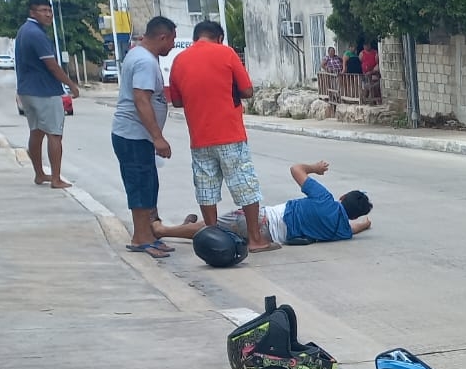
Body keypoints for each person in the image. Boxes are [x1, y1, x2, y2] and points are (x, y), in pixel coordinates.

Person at [165, 20, 276, 253]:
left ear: (196, 37)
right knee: (244, 185)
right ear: (219, 37)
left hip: (199, 138)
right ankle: (255, 239)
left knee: (206, 189)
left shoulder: (179, 60)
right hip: (230, 134)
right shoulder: (226, 53)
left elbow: (175, 101)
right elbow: (247, 91)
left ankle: (214, 242)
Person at [153, 160, 371, 248]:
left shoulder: (324, 198)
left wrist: (314, 167)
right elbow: (355, 227)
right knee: (215, 231)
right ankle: (185, 228)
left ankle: (163, 231)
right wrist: (365, 224)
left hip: (263, 220)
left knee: (211, 226)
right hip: (271, 237)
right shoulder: (342, 230)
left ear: (341, 197)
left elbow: (295, 169)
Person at [113, 16, 178, 258]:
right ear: (162, 37)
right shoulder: (144, 62)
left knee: (149, 185)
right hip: (133, 136)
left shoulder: (140, 55)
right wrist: (157, 137)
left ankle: (149, 235)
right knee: (139, 186)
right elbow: (141, 100)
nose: (172, 46)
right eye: (171, 39)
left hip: (137, 137)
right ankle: (141, 238)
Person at [14, 0, 80, 189]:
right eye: (43, 10)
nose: (48, 14)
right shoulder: (36, 34)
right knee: (54, 134)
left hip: (26, 90)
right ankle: (56, 178)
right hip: (44, 91)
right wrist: (71, 85)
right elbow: (52, 66)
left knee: (36, 132)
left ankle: (39, 174)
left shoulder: (24, 31)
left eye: (49, 10)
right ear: (32, 13)